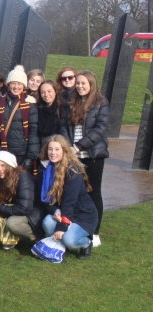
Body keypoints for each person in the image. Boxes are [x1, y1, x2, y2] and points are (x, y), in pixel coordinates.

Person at [59, 70, 109, 248]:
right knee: (74, 192)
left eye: (83, 83)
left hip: (92, 155)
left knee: (93, 192)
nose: (79, 86)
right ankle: (74, 224)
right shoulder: (70, 102)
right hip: (72, 155)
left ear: (91, 85)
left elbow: (100, 129)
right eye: (78, 83)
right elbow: (64, 126)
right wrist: (67, 147)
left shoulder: (101, 103)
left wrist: (78, 146)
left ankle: (94, 231)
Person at [40, 135, 98, 259]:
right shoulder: (46, 169)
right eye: (50, 149)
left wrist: (62, 227)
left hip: (82, 214)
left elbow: (69, 202)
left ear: (64, 151)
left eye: (57, 149)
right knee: (47, 222)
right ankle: (59, 246)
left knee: (69, 240)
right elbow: (46, 200)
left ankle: (86, 243)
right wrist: (55, 210)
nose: (52, 153)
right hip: (63, 212)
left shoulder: (72, 171)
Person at [0, 151, 41, 250]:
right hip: (14, 208)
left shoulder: (23, 177)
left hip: (31, 212)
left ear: (10, 165)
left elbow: (25, 208)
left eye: (3, 165)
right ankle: (11, 237)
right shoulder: (0, 177)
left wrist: (3, 209)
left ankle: (36, 239)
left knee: (12, 223)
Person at [0, 65, 39, 172]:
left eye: (19, 84)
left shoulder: (30, 104)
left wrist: (30, 157)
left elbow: (34, 132)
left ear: (24, 85)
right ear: (8, 84)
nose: (16, 87)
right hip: (2, 152)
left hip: (21, 154)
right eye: (13, 83)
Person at [37, 80, 61, 150]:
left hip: (56, 148)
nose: (46, 95)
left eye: (49, 91)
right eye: (43, 92)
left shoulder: (62, 109)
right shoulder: (38, 108)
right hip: (41, 148)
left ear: (55, 92)